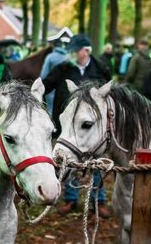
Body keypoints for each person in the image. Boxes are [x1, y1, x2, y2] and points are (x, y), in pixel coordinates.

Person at [41, 33, 112, 217]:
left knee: (97, 162)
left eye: (74, 50)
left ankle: (99, 200)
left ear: (85, 51)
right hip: (67, 125)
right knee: (69, 159)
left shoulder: (100, 68)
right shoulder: (63, 68)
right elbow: (46, 84)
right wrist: (34, 92)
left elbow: (108, 95)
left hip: (93, 127)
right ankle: (71, 199)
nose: (70, 53)